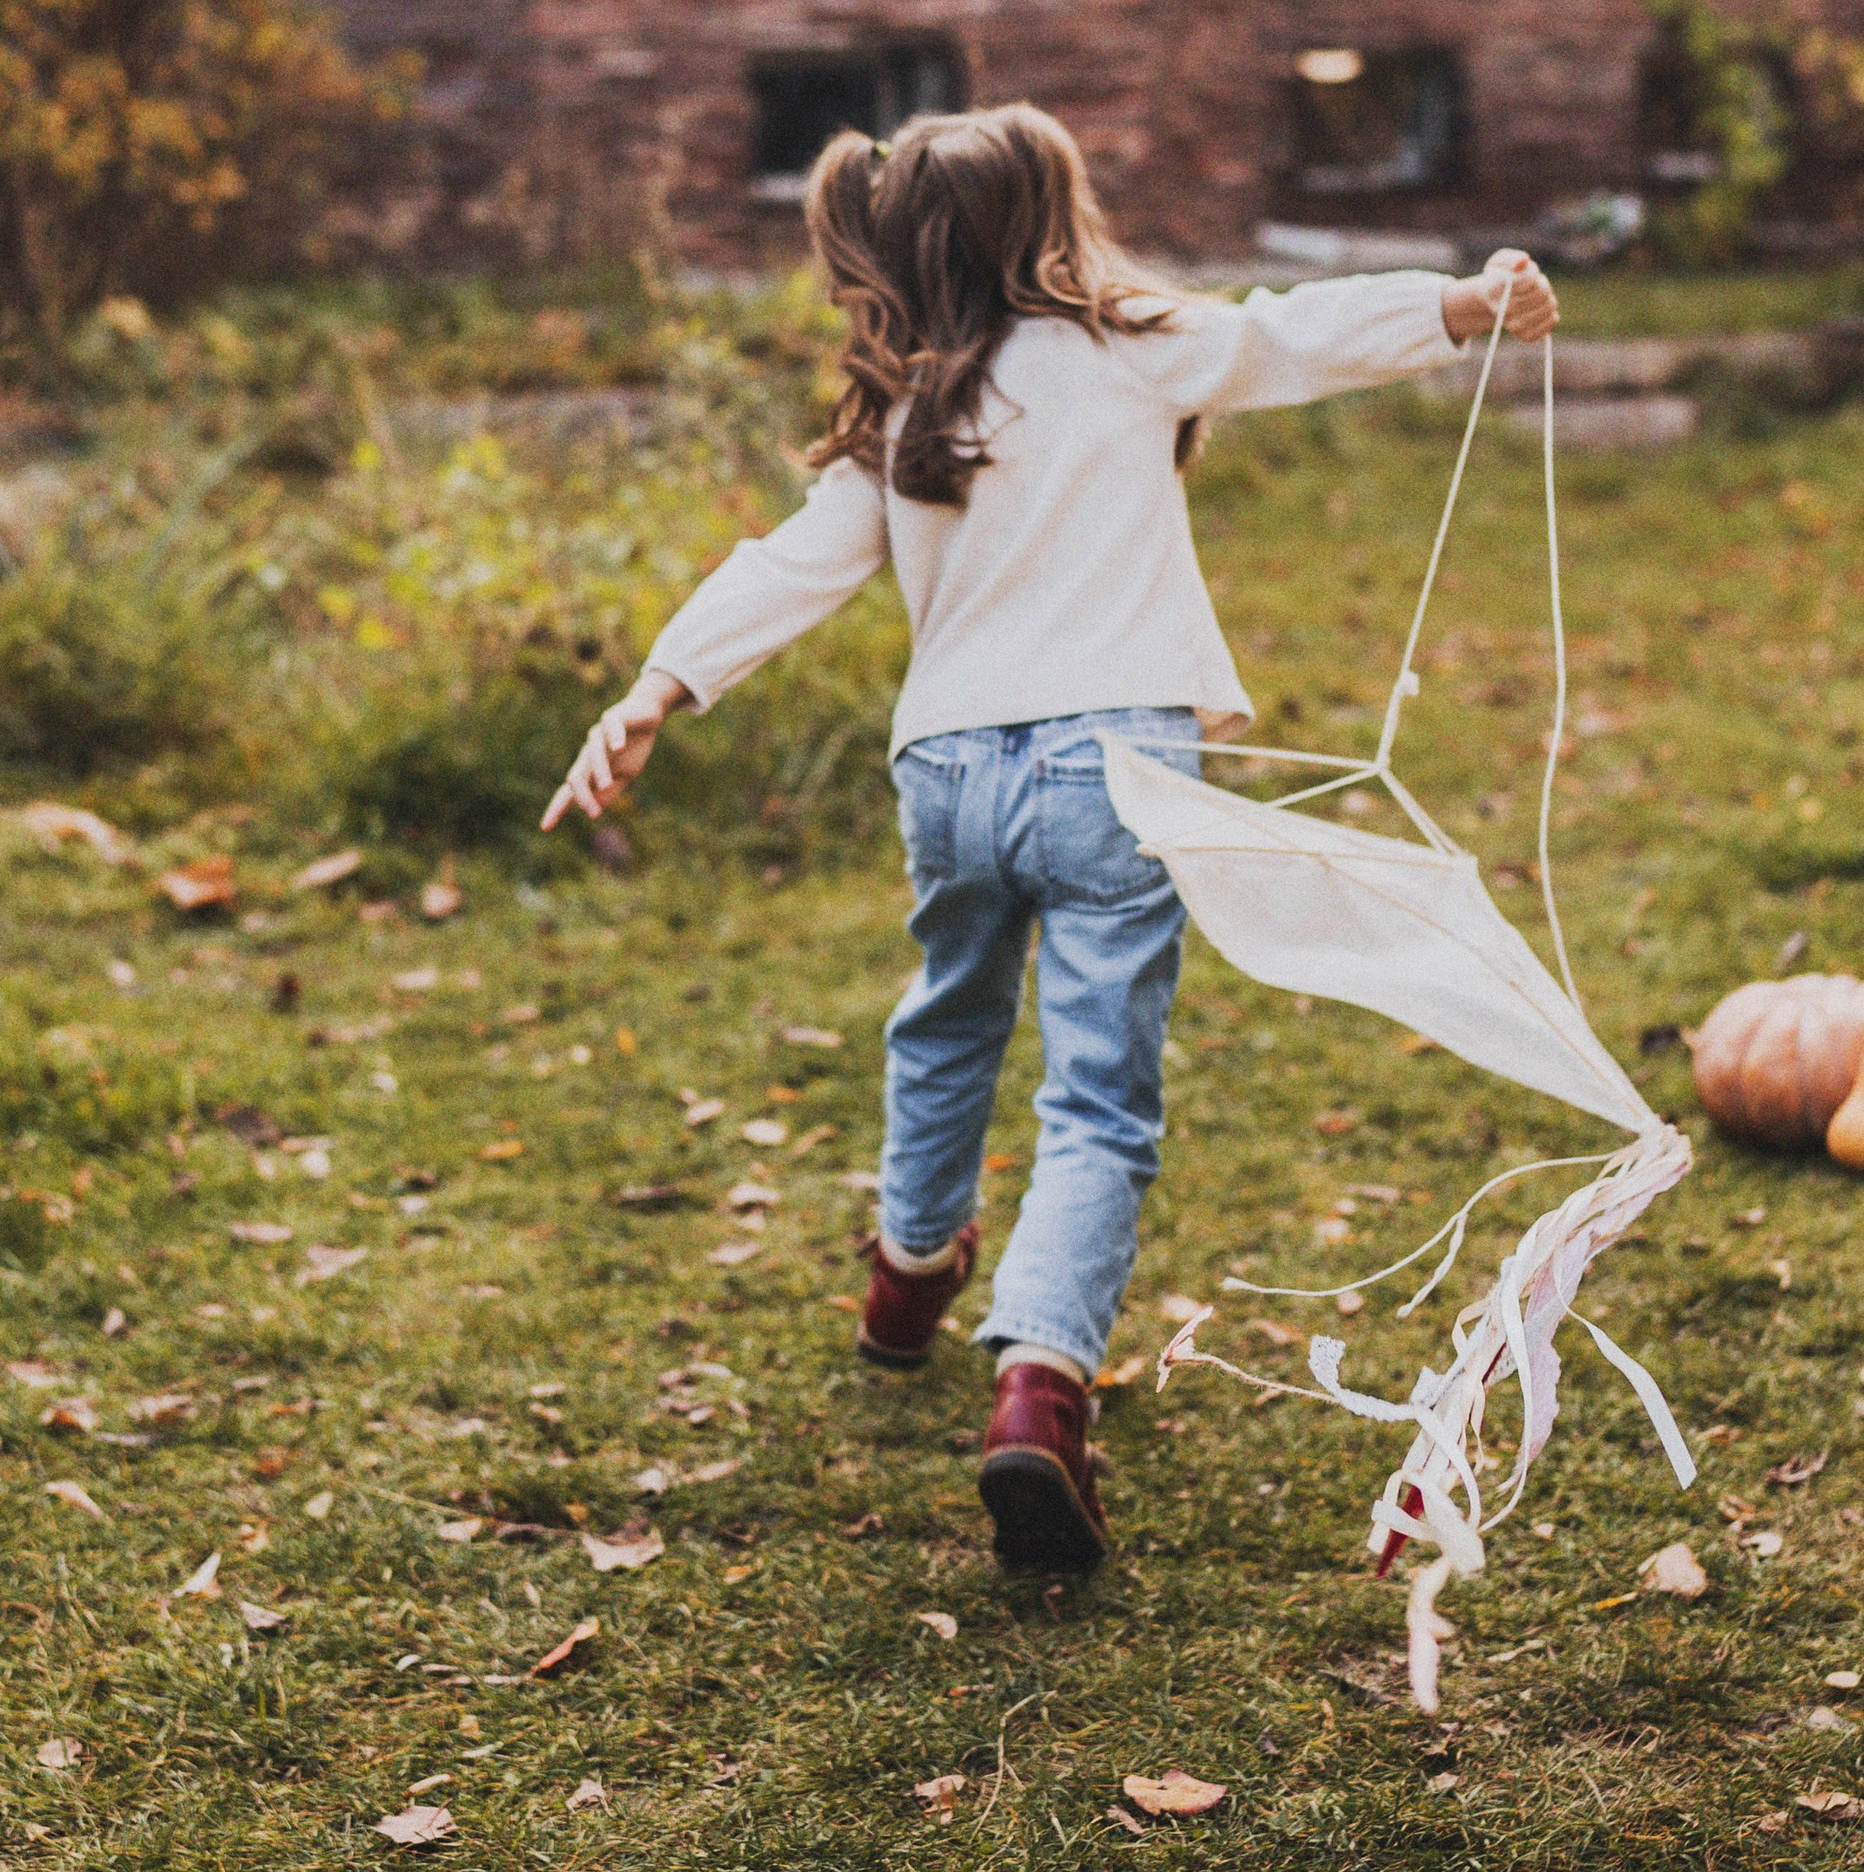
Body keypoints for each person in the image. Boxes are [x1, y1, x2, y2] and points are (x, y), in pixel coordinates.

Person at [543, 103, 1558, 1579]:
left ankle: (908, 1271)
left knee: (947, 1018)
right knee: (1096, 1097)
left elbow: (794, 563)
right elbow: (1287, 335)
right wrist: (1459, 306)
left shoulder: (910, 401)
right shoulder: (1129, 343)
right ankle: (1038, 1386)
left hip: (948, 772)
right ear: (1053, 223)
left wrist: (658, 688)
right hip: (1112, 773)